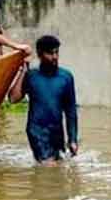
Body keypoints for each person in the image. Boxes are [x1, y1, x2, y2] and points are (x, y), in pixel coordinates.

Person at [8, 36, 79, 164]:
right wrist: (23, 70)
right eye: (50, 53)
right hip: (37, 131)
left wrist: (72, 139)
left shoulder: (66, 77)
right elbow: (13, 98)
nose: (55, 57)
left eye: (57, 52)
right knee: (48, 166)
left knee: (58, 170)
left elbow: (70, 111)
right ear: (40, 55)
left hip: (57, 132)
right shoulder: (31, 76)